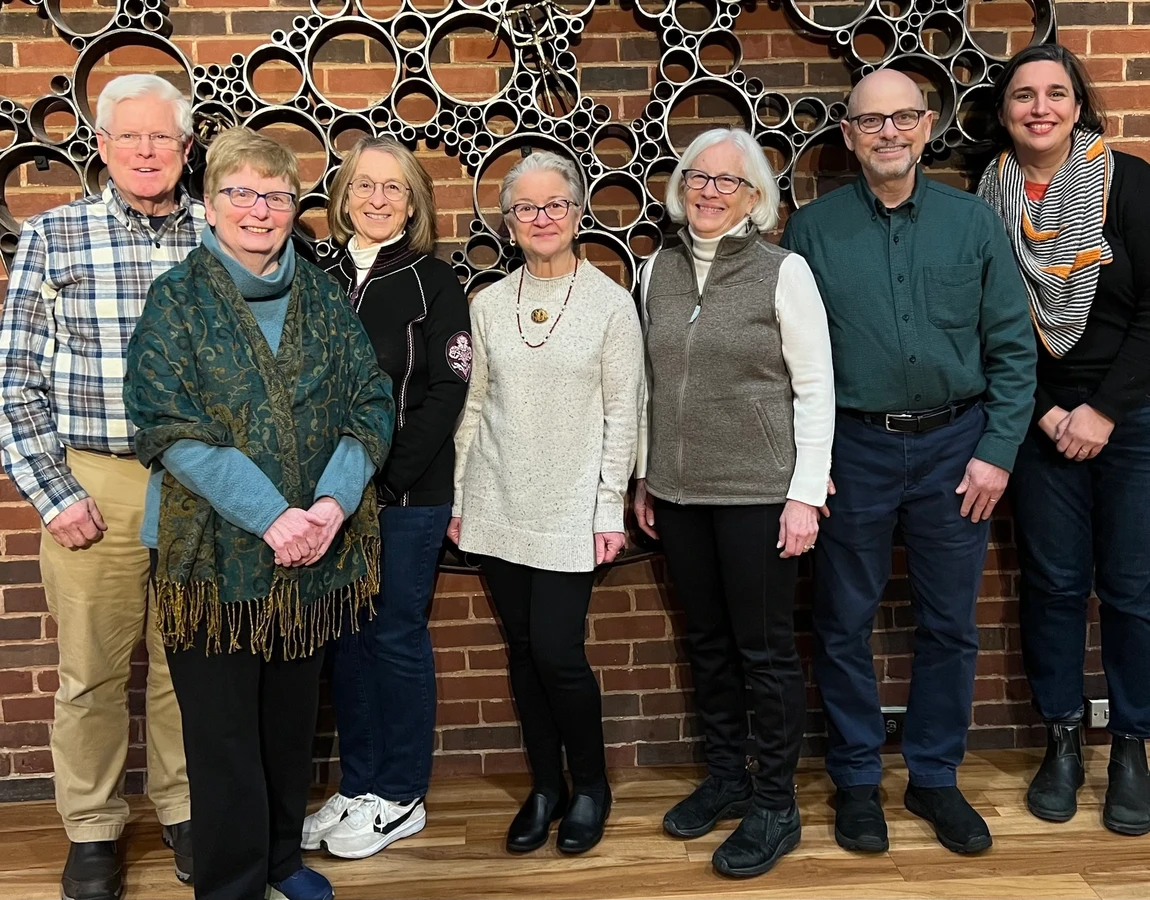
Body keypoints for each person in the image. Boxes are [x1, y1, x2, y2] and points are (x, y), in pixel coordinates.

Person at [123, 127, 394, 900]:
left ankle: (280, 861)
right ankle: (233, 884)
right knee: (223, 740)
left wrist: (333, 505)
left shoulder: (319, 292)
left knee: (285, 726)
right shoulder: (176, 299)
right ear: (209, 207)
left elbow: (370, 399)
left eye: (275, 195)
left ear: (294, 207)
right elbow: (166, 423)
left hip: (314, 554)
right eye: (240, 193)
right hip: (213, 558)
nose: (259, 209)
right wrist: (275, 516)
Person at [781, 69, 1036, 855]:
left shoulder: (972, 225)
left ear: (926, 127)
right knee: (842, 621)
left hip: (955, 449)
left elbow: (1012, 349)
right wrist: (808, 460)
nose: (887, 133)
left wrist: (997, 453)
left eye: (902, 119)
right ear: (849, 136)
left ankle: (933, 777)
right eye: (870, 122)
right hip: (853, 448)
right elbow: (789, 361)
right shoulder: (813, 232)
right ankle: (857, 781)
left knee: (950, 624)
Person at [0, 74, 200, 900]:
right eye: (131, 137)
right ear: (103, 145)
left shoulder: (220, 234)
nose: (148, 151)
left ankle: (190, 812)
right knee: (90, 673)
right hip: (97, 481)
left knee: (192, 663)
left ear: (187, 151)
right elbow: (14, 385)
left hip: (199, 486)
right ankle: (90, 830)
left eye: (164, 138)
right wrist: (55, 493)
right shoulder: (55, 237)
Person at [630, 127, 834, 878]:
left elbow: (816, 389)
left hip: (759, 496)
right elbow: (650, 385)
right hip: (681, 496)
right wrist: (647, 475)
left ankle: (776, 804)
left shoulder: (785, 273)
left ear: (756, 198)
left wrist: (804, 495)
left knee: (765, 652)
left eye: (728, 181)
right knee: (709, 647)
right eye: (697, 178)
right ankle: (726, 776)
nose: (709, 191)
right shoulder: (656, 270)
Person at [449, 150, 643, 855]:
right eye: (526, 208)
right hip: (498, 498)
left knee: (560, 652)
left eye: (554, 204)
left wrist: (605, 510)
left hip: (569, 507)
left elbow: (625, 414)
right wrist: (462, 493)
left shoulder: (610, 303)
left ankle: (590, 785)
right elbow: (474, 408)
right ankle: (545, 786)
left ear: (578, 211)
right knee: (525, 652)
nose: (541, 218)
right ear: (508, 221)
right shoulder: (489, 305)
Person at [978, 44, 1150, 835]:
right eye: (1023, 96)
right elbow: (990, 326)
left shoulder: (1132, 184)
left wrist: (1104, 411)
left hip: (1132, 418)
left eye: (1055, 93)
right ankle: (1063, 740)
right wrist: (1046, 412)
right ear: (1005, 111)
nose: (1039, 107)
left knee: (1131, 589)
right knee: (1050, 586)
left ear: (1078, 106)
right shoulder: (987, 199)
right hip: (1039, 421)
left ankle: (1132, 750)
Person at [302, 136, 471, 859]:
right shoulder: (314, 275)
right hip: (326, 500)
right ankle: (360, 784)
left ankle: (401, 796)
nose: (377, 200)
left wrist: (384, 479)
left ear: (414, 201)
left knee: (393, 638)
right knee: (346, 638)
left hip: (406, 496)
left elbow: (447, 392)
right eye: (364, 186)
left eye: (393, 188)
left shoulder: (436, 281)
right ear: (343, 196)